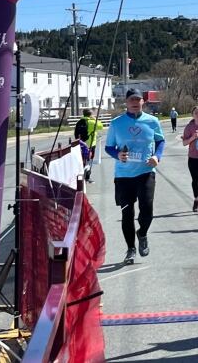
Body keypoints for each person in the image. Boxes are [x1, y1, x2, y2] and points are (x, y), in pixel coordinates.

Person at [105, 88, 165, 265]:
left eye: (138, 99)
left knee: (147, 210)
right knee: (127, 214)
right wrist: (118, 155)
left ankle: (143, 233)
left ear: (142, 102)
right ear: (126, 102)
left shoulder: (152, 121)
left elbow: (160, 141)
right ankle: (131, 249)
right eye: (131, 99)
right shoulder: (116, 123)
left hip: (146, 172)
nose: (134, 102)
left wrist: (157, 156)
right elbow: (109, 147)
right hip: (123, 176)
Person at [75, 109, 104, 182]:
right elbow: (101, 126)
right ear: (90, 114)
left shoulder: (79, 122)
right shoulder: (92, 122)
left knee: (81, 160)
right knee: (89, 160)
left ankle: (80, 176)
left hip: (80, 144)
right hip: (90, 144)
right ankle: (87, 177)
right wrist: (95, 119)